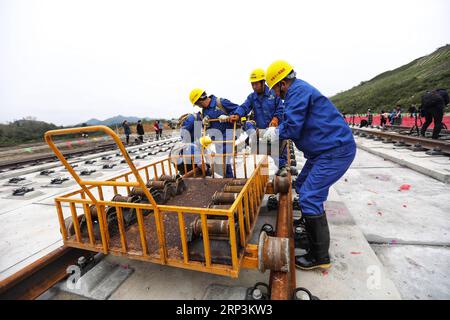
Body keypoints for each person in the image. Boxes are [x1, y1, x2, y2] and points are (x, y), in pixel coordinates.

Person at [263, 60, 356, 270]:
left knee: (310, 196)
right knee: (303, 184)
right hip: (322, 152)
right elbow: (293, 120)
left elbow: (294, 127)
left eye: (275, 89)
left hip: (334, 151)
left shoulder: (297, 92)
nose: (276, 94)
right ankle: (308, 234)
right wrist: (277, 130)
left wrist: (275, 134)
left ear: (282, 84)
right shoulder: (298, 91)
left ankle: (320, 256)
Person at [229, 68, 287, 169]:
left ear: (263, 82)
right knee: (263, 155)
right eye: (252, 84)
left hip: (275, 129)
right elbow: (245, 106)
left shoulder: (274, 93)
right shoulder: (252, 97)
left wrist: (275, 119)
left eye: (256, 84)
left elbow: (280, 108)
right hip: (261, 131)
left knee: (278, 155)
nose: (254, 87)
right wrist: (237, 115)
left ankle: (281, 168)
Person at [189, 88, 240, 178]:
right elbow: (209, 126)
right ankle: (229, 179)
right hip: (217, 138)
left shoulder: (221, 102)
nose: (198, 106)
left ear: (201, 98)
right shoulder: (205, 110)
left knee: (222, 159)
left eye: (198, 104)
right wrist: (206, 123)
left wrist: (229, 116)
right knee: (224, 162)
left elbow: (239, 111)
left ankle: (228, 179)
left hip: (228, 134)